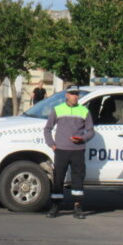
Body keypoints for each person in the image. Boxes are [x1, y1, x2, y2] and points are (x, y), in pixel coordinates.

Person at [43, 85, 95, 219]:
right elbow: (47, 129)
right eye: (72, 94)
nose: (75, 96)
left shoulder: (84, 111)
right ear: (66, 95)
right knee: (58, 178)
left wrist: (82, 139)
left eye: (77, 94)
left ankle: (77, 207)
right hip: (61, 150)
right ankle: (55, 206)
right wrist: (52, 145)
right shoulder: (58, 109)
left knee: (78, 178)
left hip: (78, 151)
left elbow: (91, 131)